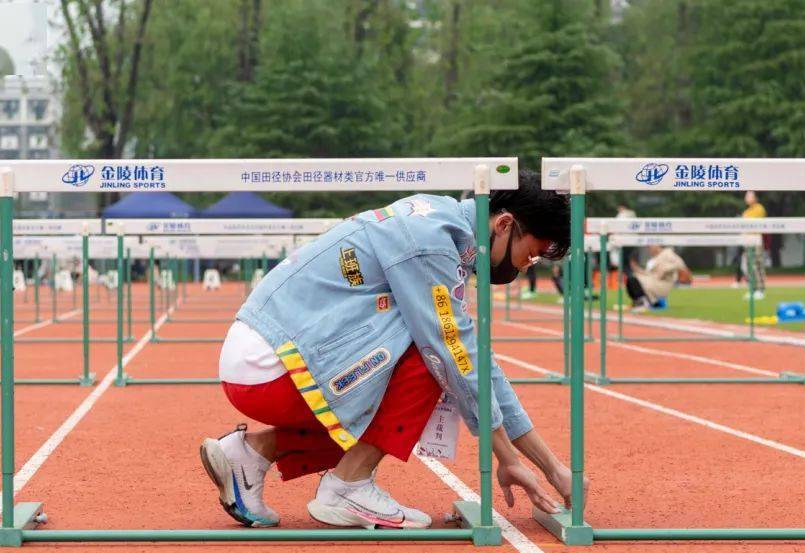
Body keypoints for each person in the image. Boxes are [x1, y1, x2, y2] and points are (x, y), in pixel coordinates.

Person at [199, 171, 581, 529]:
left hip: (264, 360)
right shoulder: (429, 240)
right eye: (531, 254)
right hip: (272, 367)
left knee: (444, 347)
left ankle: (251, 454)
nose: (527, 267)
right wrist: (507, 458)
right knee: (435, 356)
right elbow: (453, 353)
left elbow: (479, 361)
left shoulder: (440, 226)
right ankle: (349, 486)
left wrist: (552, 467)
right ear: (504, 224)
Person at [625, 244, 691, 312]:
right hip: (652, 281)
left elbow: (680, 264)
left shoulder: (668, 253)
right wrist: (638, 270)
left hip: (662, 283)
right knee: (631, 278)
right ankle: (639, 302)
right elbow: (651, 274)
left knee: (634, 280)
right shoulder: (652, 260)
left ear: (657, 245)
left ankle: (644, 303)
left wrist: (666, 269)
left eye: (650, 247)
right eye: (648, 247)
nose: (649, 249)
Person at [732, 190, 766, 299]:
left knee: (756, 264)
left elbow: (752, 222)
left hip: (755, 240)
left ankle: (760, 290)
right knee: (747, 265)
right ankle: (753, 288)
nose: (747, 197)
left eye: (749, 195)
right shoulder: (746, 211)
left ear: (755, 197)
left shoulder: (759, 208)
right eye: (746, 195)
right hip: (746, 241)